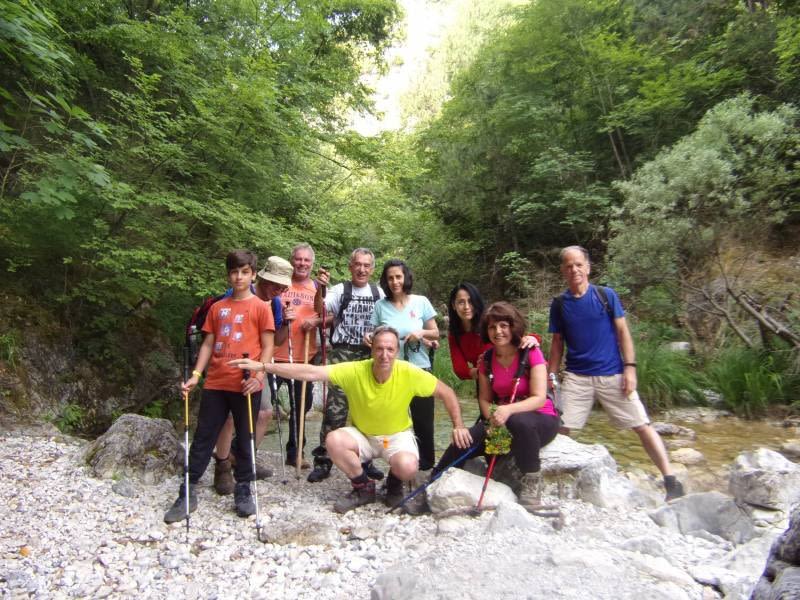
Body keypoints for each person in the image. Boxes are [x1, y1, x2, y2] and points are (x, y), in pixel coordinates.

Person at [229, 326, 471, 513]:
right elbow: (311, 372)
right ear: (372, 349)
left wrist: (458, 426)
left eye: (390, 349)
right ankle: (363, 487)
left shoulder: (409, 372)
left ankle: (393, 484)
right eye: (379, 349)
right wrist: (263, 366)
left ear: (396, 352)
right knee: (334, 440)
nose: (384, 355)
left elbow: (447, 393)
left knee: (408, 467)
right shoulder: (355, 370)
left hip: (396, 436)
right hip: (363, 435)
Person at [547, 245, 685, 501]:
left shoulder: (605, 295)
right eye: (569, 266)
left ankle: (670, 480)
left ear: (588, 268)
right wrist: (551, 378)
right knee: (561, 430)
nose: (574, 269)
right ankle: (550, 484)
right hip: (577, 377)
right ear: (563, 271)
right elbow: (557, 343)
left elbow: (623, 332)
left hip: (613, 374)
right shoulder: (559, 304)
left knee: (642, 425)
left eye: (579, 264)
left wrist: (630, 368)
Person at [164, 250, 275, 523]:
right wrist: (196, 375)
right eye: (234, 272)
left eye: (245, 272)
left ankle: (243, 489)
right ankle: (188, 490)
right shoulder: (217, 307)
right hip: (216, 381)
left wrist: (258, 375)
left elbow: (268, 346)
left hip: (246, 383)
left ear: (253, 275)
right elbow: (208, 344)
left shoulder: (261, 307)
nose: (239, 277)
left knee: (246, 438)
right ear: (228, 275)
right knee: (204, 436)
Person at [435, 302, 560, 511]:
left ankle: (532, 482)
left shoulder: (530, 352)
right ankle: (435, 477)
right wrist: (492, 419)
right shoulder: (487, 360)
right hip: (501, 420)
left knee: (519, 421)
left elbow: (539, 398)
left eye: (503, 325)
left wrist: (508, 410)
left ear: (513, 327)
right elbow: (484, 399)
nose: (498, 331)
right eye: (492, 327)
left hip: (539, 419)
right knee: (464, 439)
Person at [211, 256, 293, 495]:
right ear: (264, 278)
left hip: (258, 363)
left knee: (264, 413)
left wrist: (285, 324)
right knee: (228, 417)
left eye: (283, 287)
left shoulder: (274, 303)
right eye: (276, 285)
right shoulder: (235, 294)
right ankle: (222, 466)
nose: (279, 290)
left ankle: (243, 459)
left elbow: (276, 342)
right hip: (230, 361)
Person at [307, 247, 386, 483]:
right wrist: (320, 288)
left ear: (372, 269)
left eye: (366, 265)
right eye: (357, 264)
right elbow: (320, 310)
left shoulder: (379, 293)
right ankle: (324, 460)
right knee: (335, 409)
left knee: (367, 408)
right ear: (350, 266)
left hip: (368, 355)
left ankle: (366, 459)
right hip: (342, 353)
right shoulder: (341, 290)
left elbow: (386, 321)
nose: (362, 269)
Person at [369, 259, 438, 483]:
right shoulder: (380, 306)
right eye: (390, 278)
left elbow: (435, 332)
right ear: (385, 281)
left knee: (423, 419)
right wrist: (369, 338)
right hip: (391, 369)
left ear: (405, 277)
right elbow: (374, 335)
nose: (395, 281)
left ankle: (426, 465)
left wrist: (421, 333)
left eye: (398, 276)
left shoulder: (421, 302)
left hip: (419, 367)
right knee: (394, 419)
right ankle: (398, 463)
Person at [271, 243, 323, 468]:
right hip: (273, 356)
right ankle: (242, 451)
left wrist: (316, 321)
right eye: (298, 259)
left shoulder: (318, 288)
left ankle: (295, 453)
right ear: (292, 261)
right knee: (260, 407)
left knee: (301, 408)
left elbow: (328, 315)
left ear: (312, 263)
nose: (302, 263)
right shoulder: (280, 284)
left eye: (306, 260)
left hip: (303, 358)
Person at [447, 282, 539, 387]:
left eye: (471, 301)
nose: (467, 307)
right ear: (453, 305)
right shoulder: (455, 334)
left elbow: (520, 336)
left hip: (514, 374)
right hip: (485, 381)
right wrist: (483, 372)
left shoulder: (489, 322)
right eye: (461, 302)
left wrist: (532, 338)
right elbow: (460, 369)